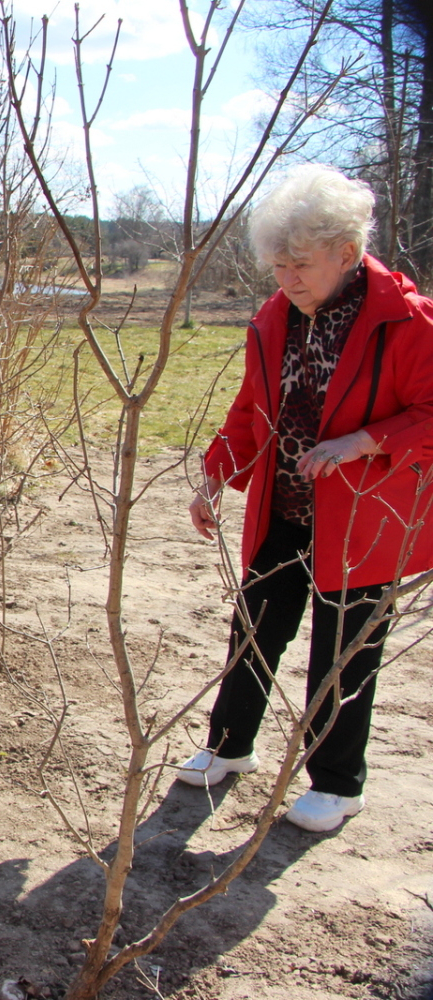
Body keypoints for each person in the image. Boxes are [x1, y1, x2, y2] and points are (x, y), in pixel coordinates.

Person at [180, 164, 433, 832]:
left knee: (343, 650)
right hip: (284, 508)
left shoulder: (407, 322)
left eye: (300, 265)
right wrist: (215, 474)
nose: (286, 280)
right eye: (277, 266)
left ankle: (337, 783)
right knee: (255, 629)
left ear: (346, 255)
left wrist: (368, 441)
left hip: (365, 520)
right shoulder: (274, 317)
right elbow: (251, 410)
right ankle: (229, 747)